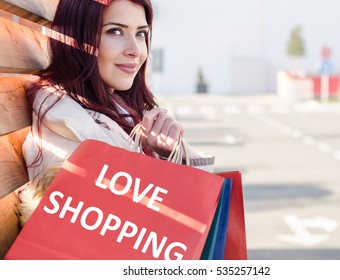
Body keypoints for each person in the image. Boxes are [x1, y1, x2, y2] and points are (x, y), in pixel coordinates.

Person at [19, 0, 214, 225]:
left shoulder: (112, 110)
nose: (135, 50)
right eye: (115, 31)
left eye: (141, 34)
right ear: (76, 38)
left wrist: (171, 152)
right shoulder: (68, 125)